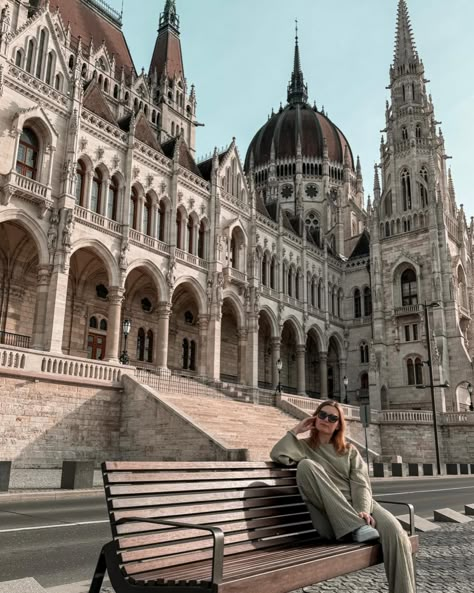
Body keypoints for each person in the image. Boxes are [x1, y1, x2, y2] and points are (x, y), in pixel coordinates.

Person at [270, 400, 416, 593]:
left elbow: (361, 484)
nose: (326, 420)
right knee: (306, 466)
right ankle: (355, 527)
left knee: (396, 534)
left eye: (332, 418)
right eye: (322, 415)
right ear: (314, 418)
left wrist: (362, 510)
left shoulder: (349, 451)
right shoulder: (303, 447)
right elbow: (277, 454)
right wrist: (296, 430)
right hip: (331, 516)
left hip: (361, 509)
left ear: (338, 425)